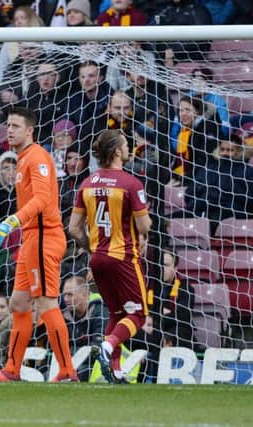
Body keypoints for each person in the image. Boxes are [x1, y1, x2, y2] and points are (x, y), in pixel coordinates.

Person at [0, 106, 76, 382]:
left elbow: (43, 199)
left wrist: (9, 223)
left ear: (30, 130)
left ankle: (67, 370)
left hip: (45, 235)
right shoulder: (22, 159)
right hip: (32, 238)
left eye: (16, 126)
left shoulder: (38, 157)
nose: (9, 129)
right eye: (8, 125)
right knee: (19, 302)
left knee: (46, 303)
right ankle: (11, 370)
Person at [68, 129, 152, 384]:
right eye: (126, 145)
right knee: (137, 315)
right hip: (124, 257)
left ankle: (115, 370)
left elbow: (73, 228)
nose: (129, 148)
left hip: (98, 260)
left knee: (116, 314)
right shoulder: (131, 184)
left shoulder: (87, 183)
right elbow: (145, 226)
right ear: (117, 151)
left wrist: (93, 248)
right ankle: (107, 345)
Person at [62, 275, 107, 381]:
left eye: (70, 295)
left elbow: (97, 349)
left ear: (85, 295)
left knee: (81, 372)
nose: (66, 299)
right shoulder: (63, 315)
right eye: (64, 295)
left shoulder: (101, 313)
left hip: (93, 366)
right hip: (69, 364)